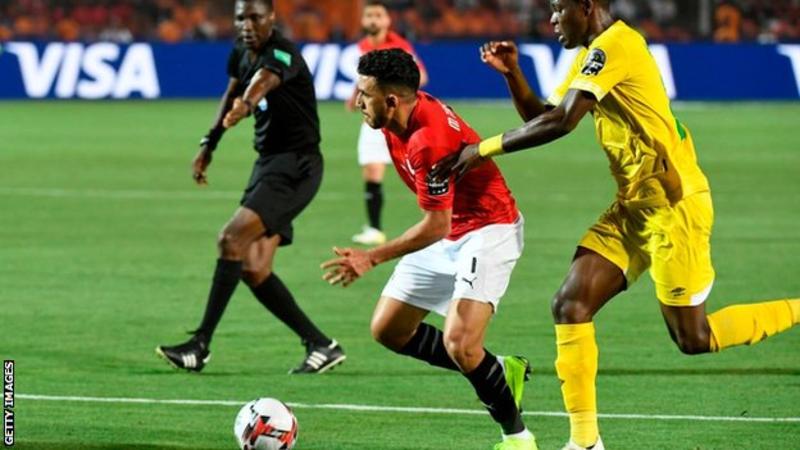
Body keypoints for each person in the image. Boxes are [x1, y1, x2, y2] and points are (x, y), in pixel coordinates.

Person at [431, 1, 800, 449]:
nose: (551, 19)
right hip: (634, 206)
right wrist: (513, 74)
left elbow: (562, 122)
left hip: (674, 208)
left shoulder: (615, 46)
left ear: (586, 6)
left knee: (694, 338)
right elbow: (545, 115)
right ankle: (585, 443)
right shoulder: (591, 54)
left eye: (558, 9)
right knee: (570, 305)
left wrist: (482, 149)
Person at [322, 48, 538, 450]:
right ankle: (498, 369)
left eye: (364, 94)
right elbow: (440, 224)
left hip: (488, 229)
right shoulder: (395, 118)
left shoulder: (428, 140)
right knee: (389, 330)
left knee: (461, 344)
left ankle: (518, 437)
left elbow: (435, 224)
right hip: (449, 230)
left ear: (391, 100)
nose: (357, 101)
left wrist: (371, 256)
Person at [156, 0, 345, 375]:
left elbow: (263, 81)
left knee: (230, 240)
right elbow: (231, 93)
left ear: (271, 18)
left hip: (296, 166)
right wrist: (209, 144)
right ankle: (321, 345)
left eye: (255, 17)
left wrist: (246, 106)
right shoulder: (240, 52)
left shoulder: (282, 53)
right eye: (241, 17)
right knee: (255, 268)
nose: (247, 24)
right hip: (270, 165)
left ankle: (200, 345)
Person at [347, 0, 429, 246]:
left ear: (387, 20)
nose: (373, 20)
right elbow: (366, 79)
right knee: (372, 171)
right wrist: (355, 96)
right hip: (374, 119)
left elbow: (421, 76)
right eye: (369, 15)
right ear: (363, 20)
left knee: (418, 172)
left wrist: (392, 95)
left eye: (378, 15)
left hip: (399, 120)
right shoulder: (363, 46)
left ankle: (439, 221)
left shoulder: (399, 46)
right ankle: (374, 229)